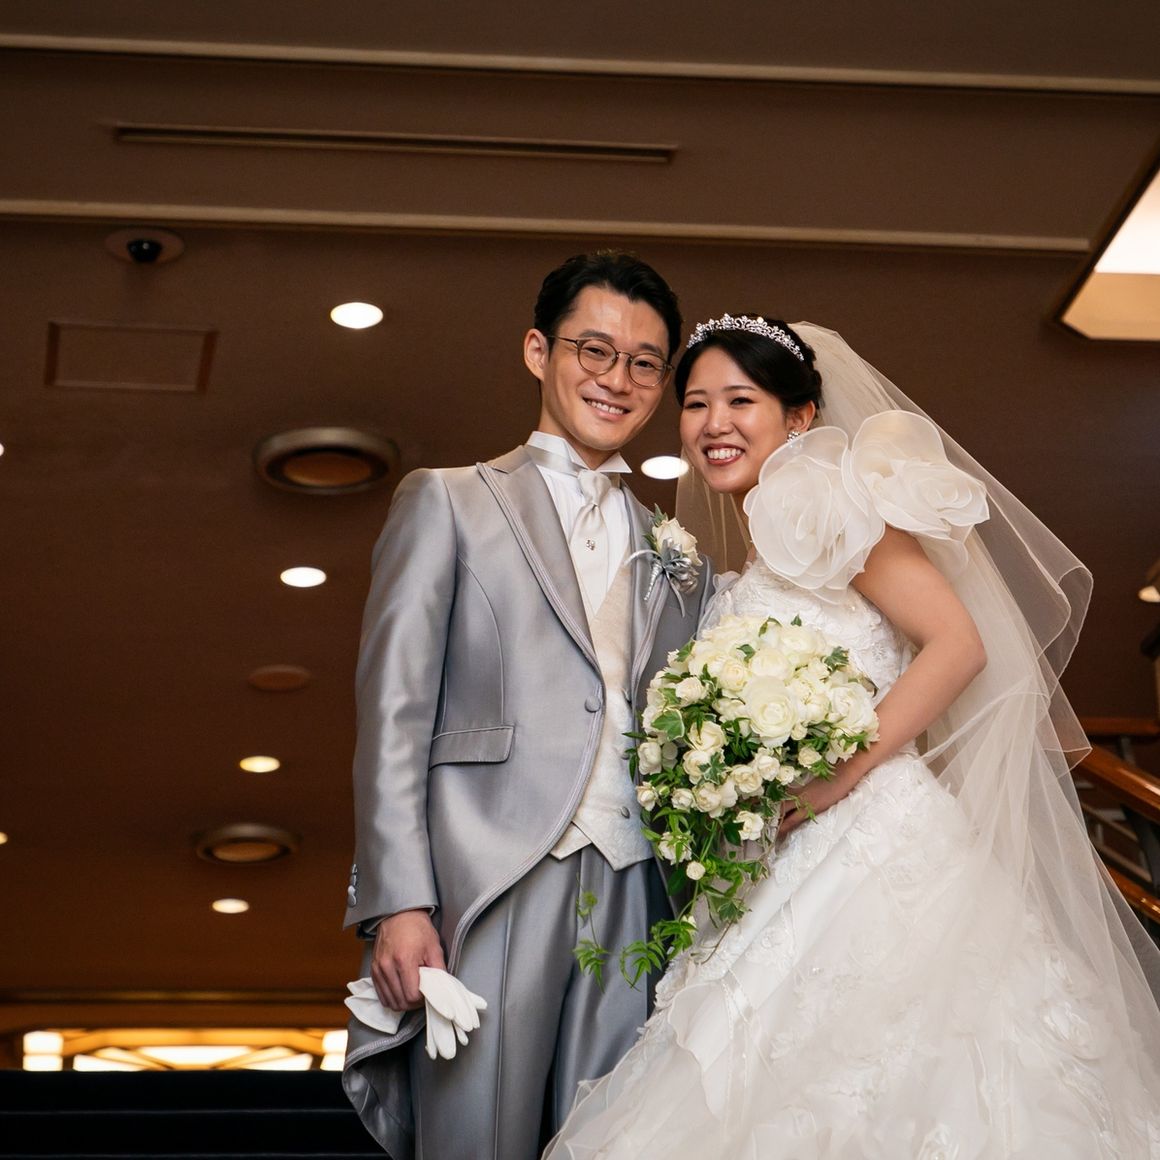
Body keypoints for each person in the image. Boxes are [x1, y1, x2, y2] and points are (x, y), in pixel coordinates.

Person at [545, 315, 1160, 1158]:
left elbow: (958, 645)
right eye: (695, 404)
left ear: (800, 417)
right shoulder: (755, 558)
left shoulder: (835, 510)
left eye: (740, 401)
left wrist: (839, 777)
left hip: (873, 841)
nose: (714, 423)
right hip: (780, 855)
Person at [341, 252, 714, 1160]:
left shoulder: (681, 556)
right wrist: (398, 903)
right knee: (476, 1140)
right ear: (538, 351)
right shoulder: (450, 501)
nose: (617, 379)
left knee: (616, 1142)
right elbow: (393, 715)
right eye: (595, 350)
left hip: (639, 885)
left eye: (645, 363)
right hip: (492, 879)